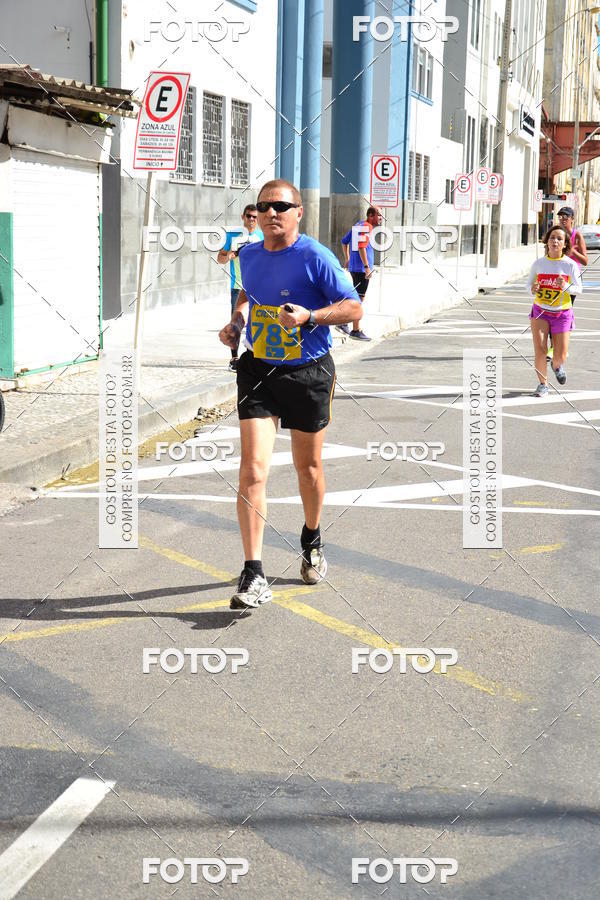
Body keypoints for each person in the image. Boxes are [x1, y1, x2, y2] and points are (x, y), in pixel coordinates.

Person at [218, 179, 362, 610]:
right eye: (264, 206)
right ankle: (253, 572)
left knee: (308, 469)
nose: (271, 212)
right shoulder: (249, 255)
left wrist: (310, 316)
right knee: (252, 471)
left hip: (308, 373)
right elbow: (249, 294)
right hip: (259, 369)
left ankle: (312, 538)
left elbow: (354, 307)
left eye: (281, 205)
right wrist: (236, 323)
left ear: (299, 212)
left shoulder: (315, 256)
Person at [527, 224, 582, 397]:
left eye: (559, 239)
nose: (555, 241)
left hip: (562, 313)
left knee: (561, 355)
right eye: (552, 238)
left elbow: (579, 289)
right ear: (547, 241)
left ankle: (556, 365)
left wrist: (565, 286)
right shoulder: (539, 264)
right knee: (540, 350)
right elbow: (528, 285)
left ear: (565, 244)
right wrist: (532, 288)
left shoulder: (570, 265)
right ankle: (542, 384)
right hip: (540, 311)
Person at [217, 204, 263, 370]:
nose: (251, 219)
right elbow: (220, 258)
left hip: (258, 287)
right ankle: (235, 359)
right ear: (243, 217)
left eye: (254, 217)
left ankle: (254, 357)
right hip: (238, 286)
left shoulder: (262, 237)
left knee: (257, 322)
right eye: (248, 216)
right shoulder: (233, 236)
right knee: (235, 323)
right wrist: (229, 255)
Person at [340, 206, 383, 341]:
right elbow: (361, 246)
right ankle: (355, 330)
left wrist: (347, 259)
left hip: (354, 267)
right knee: (358, 299)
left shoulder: (358, 225)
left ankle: (344, 323)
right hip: (361, 269)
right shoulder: (366, 227)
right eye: (379, 215)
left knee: (355, 297)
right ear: (371, 215)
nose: (381, 218)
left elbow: (344, 241)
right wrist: (366, 268)